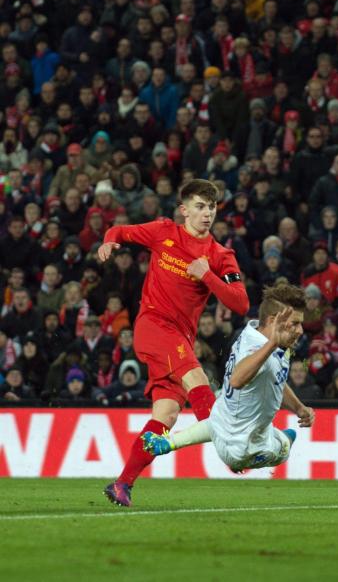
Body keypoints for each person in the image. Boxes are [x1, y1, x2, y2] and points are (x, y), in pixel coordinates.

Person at [98, 179, 250, 507]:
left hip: (179, 339)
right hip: (152, 326)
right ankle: (232, 452)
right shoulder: (163, 231)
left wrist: (207, 276)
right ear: (184, 210)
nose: (207, 213)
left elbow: (241, 304)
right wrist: (109, 241)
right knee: (199, 381)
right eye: (199, 206)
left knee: (165, 418)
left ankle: (122, 484)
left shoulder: (220, 255)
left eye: (211, 207)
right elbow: (119, 231)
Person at [143, 285, 315, 472]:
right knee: (285, 445)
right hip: (241, 449)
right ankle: (269, 447)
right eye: (295, 324)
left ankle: (170, 442)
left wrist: (298, 407)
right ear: (273, 321)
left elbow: (275, 378)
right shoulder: (263, 348)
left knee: (220, 419)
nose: (300, 330)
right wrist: (272, 344)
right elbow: (237, 379)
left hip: (223, 422)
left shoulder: (253, 331)